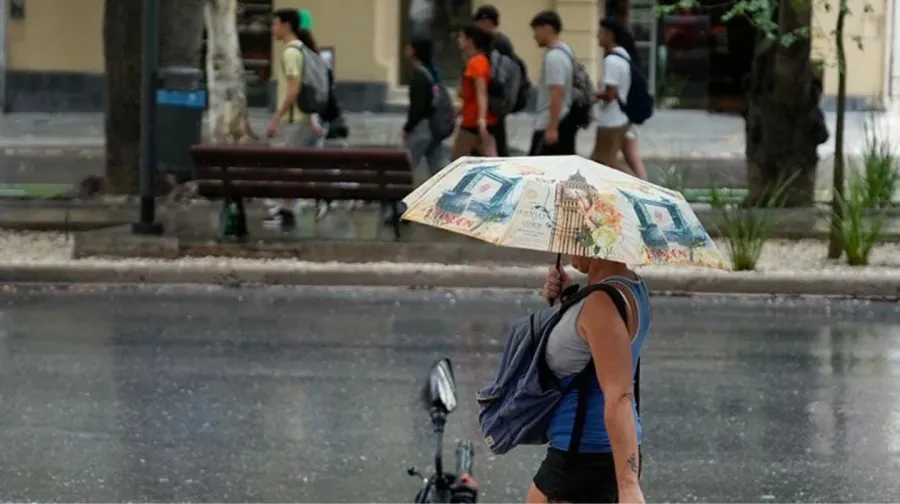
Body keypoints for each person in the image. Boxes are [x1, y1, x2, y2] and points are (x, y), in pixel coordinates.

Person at [528, 257, 650, 503]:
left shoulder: (601, 304)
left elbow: (619, 395)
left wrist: (628, 486)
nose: (572, 245)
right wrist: (567, 298)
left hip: (582, 458)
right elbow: (590, 351)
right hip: (599, 453)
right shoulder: (632, 286)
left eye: (577, 234)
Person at [265, 9, 327, 227]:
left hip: (292, 120)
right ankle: (287, 209)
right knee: (293, 167)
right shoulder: (302, 49)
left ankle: (288, 211)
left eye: (275, 24)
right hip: (303, 118)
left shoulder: (290, 52)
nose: (273, 29)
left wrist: (276, 118)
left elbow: (293, 90)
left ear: (286, 26)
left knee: (287, 167)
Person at [528, 10, 578, 156]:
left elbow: (557, 91)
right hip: (563, 119)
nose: (534, 35)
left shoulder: (554, 57)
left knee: (538, 171)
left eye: (536, 30)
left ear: (547, 29)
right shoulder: (566, 52)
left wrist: (552, 128)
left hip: (553, 122)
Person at [592, 17, 636, 174]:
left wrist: (593, 96)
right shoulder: (623, 55)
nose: (597, 36)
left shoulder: (611, 60)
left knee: (605, 163)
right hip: (619, 118)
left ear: (610, 35)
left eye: (600, 33)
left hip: (611, 120)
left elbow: (610, 94)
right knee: (601, 161)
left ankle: (637, 185)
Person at [450, 24, 498, 160]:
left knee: (457, 162)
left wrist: (481, 119)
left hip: (473, 121)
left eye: (461, 37)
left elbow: (481, 92)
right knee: (489, 159)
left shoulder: (476, 63)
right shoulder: (478, 60)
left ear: (470, 40)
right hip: (476, 119)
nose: (459, 40)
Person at [473, 4, 513, 157]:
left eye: (479, 21)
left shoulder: (498, 42)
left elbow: (499, 72)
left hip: (496, 96)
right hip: (495, 96)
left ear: (487, 21)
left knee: (496, 139)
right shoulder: (497, 41)